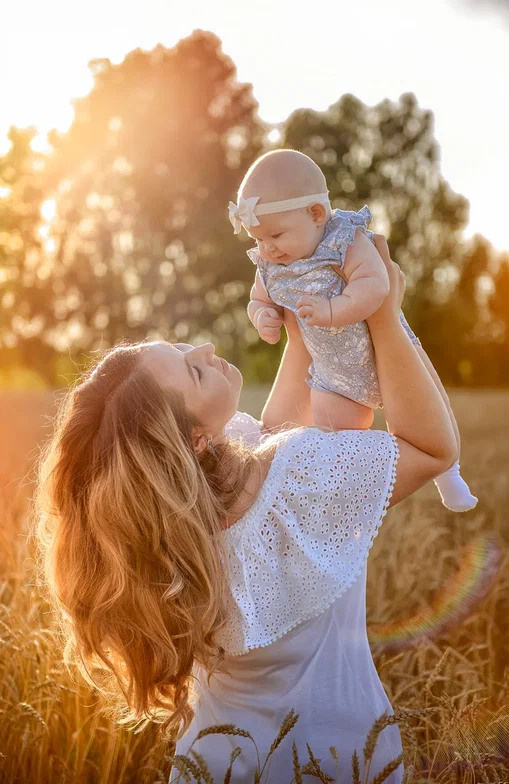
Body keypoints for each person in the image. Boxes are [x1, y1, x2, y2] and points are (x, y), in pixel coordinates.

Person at [33, 235, 458, 784]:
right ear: (195, 441)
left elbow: (272, 436)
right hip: (337, 763)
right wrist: (382, 315)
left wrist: (305, 313)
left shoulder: (171, 533)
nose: (204, 350)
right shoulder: (298, 478)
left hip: (218, 763)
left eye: (182, 347)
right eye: (192, 370)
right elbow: (433, 449)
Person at [229, 148, 477, 514]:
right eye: (258, 239)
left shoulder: (342, 241)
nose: (267, 248)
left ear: (316, 214)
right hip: (333, 373)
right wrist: (262, 315)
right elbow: (257, 298)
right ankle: (352, 489)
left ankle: (449, 475)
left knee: (428, 403)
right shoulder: (270, 262)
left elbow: (377, 285)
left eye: (276, 235)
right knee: (338, 439)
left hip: (388, 353)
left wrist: (332, 309)